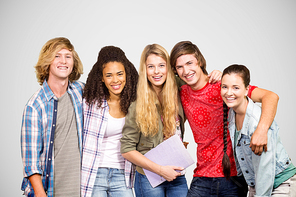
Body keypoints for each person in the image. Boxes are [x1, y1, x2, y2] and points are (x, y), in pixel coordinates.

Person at [170, 41, 279, 196]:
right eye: (179, 67)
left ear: (199, 61)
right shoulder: (182, 92)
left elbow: (270, 96)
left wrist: (261, 130)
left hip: (233, 177)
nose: (186, 70)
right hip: (202, 177)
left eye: (189, 63)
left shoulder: (223, 87)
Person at [120, 44, 188, 197]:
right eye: (151, 66)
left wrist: (213, 75)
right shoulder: (137, 103)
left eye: (161, 65)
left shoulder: (178, 89)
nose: (157, 71)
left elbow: (198, 82)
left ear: (169, 69)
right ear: (145, 70)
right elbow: (127, 150)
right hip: (148, 177)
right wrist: (160, 170)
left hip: (176, 174)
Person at [20, 37, 84, 197]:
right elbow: (31, 162)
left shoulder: (81, 91)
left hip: (82, 190)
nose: (63, 61)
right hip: (52, 191)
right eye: (57, 56)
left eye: (68, 56)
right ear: (47, 62)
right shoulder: (35, 106)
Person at [221, 64, 296, 196]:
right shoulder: (232, 113)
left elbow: (265, 171)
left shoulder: (257, 122)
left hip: (281, 183)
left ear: (246, 90)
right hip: (256, 183)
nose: (229, 92)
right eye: (224, 87)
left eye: (236, 87)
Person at [81, 46, 138, 197]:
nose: (115, 80)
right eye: (109, 75)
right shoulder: (89, 103)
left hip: (123, 175)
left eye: (120, 74)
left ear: (127, 74)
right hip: (95, 173)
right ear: (101, 77)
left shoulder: (135, 103)